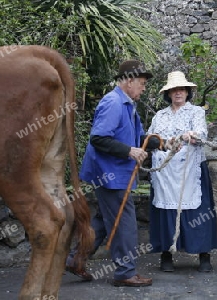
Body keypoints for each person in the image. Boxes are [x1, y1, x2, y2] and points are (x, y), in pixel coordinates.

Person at [65, 59, 160, 287]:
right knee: (124, 223)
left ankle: (75, 260)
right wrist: (129, 151)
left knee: (106, 221)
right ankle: (125, 273)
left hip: (116, 174)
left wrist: (162, 142)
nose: (144, 88)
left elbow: (138, 140)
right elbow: (99, 138)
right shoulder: (113, 103)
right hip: (110, 175)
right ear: (129, 81)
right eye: (142, 83)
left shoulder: (127, 105)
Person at [147, 71, 217, 272]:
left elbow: (201, 134)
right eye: (173, 90)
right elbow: (150, 139)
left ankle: (204, 256)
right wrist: (163, 142)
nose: (178, 92)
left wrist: (190, 136)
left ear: (187, 92)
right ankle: (166, 255)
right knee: (166, 211)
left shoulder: (196, 112)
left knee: (199, 211)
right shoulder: (159, 116)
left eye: (181, 89)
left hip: (190, 168)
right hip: (165, 173)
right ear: (168, 93)